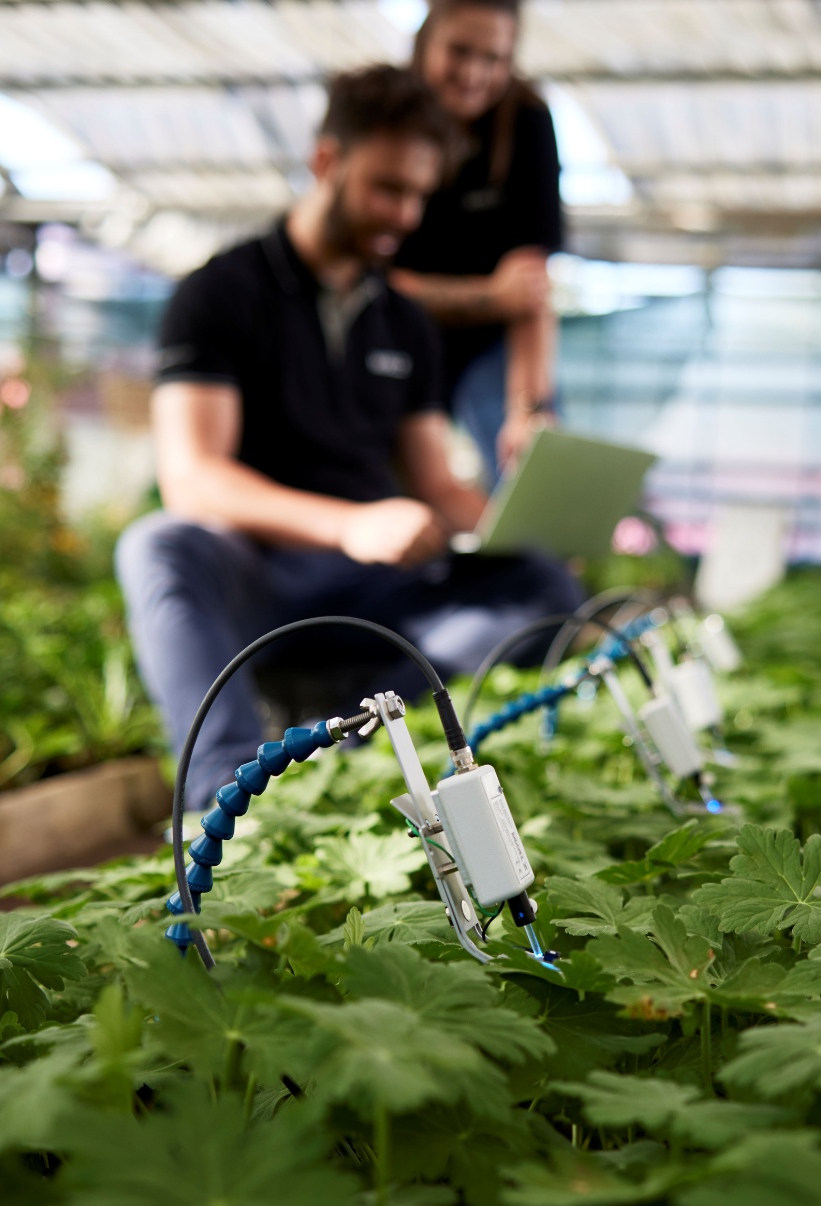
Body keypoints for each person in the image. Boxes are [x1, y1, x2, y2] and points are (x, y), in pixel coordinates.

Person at [117, 64, 583, 809]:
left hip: (373, 589)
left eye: (420, 196)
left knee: (545, 585)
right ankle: (226, 797)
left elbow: (435, 483)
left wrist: (529, 526)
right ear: (326, 161)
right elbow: (194, 478)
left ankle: (344, 726)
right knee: (159, 546)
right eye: (387, 189)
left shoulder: (405, 322)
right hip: (264, 572)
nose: (406, 215)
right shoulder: (219, 294)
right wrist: (351, 524)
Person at [393, 0, 564, 486]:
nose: (473, 74)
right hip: (398, 335)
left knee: (535, 472)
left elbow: (529, 286)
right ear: (426, 40)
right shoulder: (389, 119)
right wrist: (492, 295)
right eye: (460, 51)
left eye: (494, 58)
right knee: (392, 476)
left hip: (492, 343)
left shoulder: (527, 119)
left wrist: (528, 408)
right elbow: (376, 286)